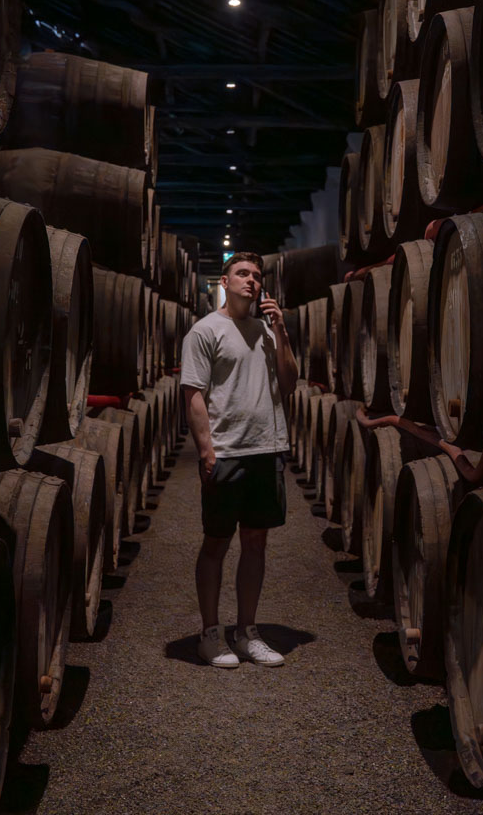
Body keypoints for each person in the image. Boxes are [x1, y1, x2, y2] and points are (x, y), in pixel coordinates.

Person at [179, 251, 298, 668]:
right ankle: (210, 633)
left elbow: (289, 383)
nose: (251, 280)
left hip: (266, 450)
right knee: (215, 544)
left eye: (256, 275)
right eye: (242, 274)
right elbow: (193, 393)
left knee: (256, 543)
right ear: (225, 281)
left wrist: (281, 331)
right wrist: (206, 450)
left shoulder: (267, 332)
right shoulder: (205, 331)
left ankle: (247, 631)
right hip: (227, 452)